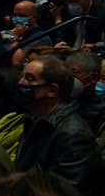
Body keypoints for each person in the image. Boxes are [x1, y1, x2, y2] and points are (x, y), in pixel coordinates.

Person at [10, 57, 94, 186]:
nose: (21, 83)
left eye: (30, 79)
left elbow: (62, 192)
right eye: (22, 77)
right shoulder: (34, 118)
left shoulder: (73, 135)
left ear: (52, 91)